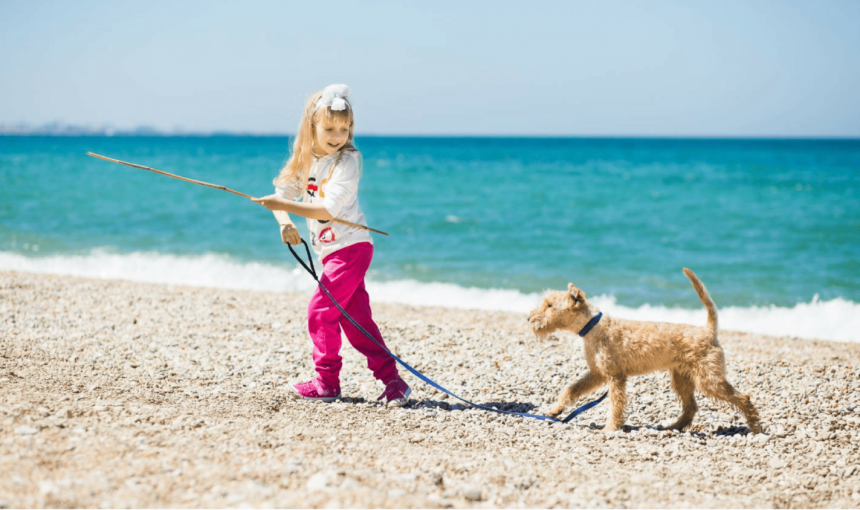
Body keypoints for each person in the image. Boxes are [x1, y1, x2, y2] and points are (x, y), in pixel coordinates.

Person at [252, 84, 411, 407]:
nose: (337, 135)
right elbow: (283, 194)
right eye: (329, 128)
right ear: (313, 127)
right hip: (331, 252)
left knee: (320, 311)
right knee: (357, 323)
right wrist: (284, 222)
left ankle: (327, 383)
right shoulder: (307, 159)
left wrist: (286, 209)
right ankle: (393, 382)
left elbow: (327, 209)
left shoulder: (348, 161)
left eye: (344, 128)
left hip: (351, 249)